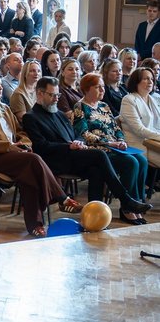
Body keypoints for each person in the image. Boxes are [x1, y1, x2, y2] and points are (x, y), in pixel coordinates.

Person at [0, 73, 81, 237]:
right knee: (33, 160)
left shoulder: (4, 108)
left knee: (29, 175)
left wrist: (24, 144)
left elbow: (21, 132)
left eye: (0, 84)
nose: (0, 88)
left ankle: (35, 225)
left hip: (13, 154)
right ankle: (61, 197)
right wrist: (8, 146)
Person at [24, 77, 151, 218]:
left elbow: (76, 134)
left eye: (58, 95)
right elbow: (41, 146)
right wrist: (69, 146)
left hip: (73, 155)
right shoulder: (31, 117)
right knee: (99, 155)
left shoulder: (58, 114)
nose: (56, 99)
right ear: (40, 94)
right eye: (52, 95)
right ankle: (126, 200)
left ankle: (95, 215)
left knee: (96, 169)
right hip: (55, 160)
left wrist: (78, 142)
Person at [76, 72, 151, 223]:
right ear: (86, 89)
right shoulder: (80, 107)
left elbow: (116, 128)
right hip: (98, 150)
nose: (102, 90)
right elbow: (83, 134)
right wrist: (109, 143)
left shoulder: (104, 106)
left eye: (103, 87)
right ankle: (127, 208)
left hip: (115, 146)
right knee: (131, 163)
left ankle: (136, 202)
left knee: (141, 161)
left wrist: (121, 140)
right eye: (98, 87)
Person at [9, 58, 41, 123]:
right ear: (25, 73)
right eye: (32, 71)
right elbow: (24, 119)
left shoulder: (41, 91)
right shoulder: (18, 94)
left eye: (38, 71)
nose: (36, 73)